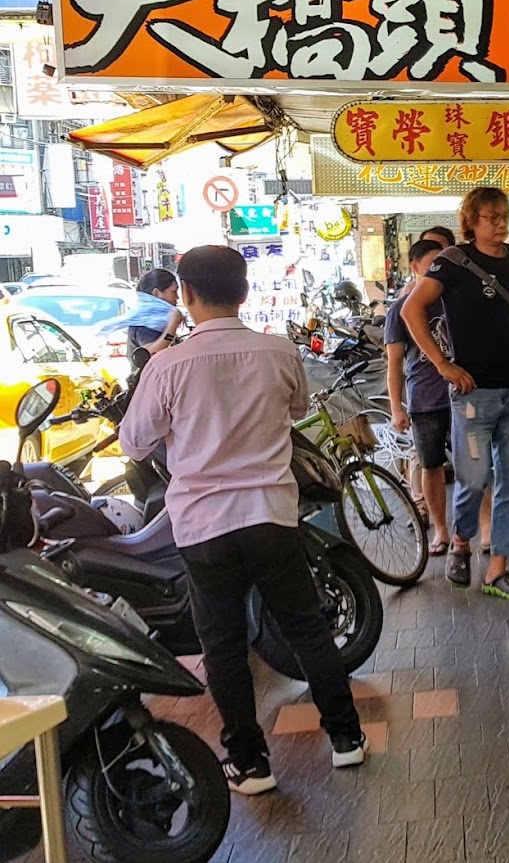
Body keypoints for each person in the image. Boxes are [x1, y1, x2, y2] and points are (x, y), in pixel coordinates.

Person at [120, 246, 365, 796]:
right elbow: (297, 409)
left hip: (203, 526)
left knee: (224, 647)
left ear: (186, 295)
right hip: (271, 516)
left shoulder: (166, 365)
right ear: (245, 292)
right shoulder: (278, 351)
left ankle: (250, 765)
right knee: (307, 629)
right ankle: (347, 738)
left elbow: (134, 442)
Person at [402, 187, 509, 600]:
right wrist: (442, 364)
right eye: (492, 217)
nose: (501, 224)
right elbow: (411, 310)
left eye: (505, 216)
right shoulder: (452, 261)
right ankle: (460, 542)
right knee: (472, 481)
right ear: (471, 221)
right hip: (472, 394)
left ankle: (498, 568)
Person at [386, 238, 453, 555]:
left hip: (462, 395)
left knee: (476, 466)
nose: (440, 271)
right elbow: (394, 364)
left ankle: (485, 530)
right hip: (425, 401)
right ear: (415, 267)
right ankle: (441, 531)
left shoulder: (454, 299)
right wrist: (396, 408)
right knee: (431, 466)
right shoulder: (399, 310)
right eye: (433, 264)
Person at [127, 268, 186, 356]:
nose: (177, 297)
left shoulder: (159, 319)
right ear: (156, 293)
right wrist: (173, 324)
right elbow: (152, 352)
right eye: (173, 292)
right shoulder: (145, 322)